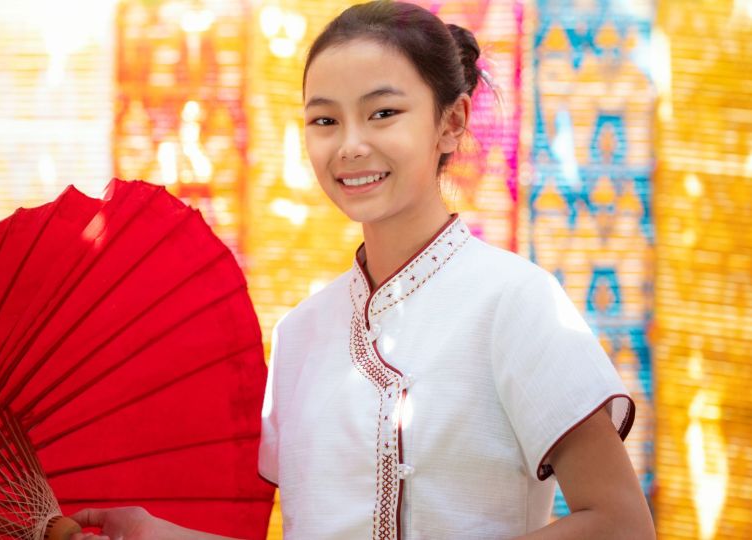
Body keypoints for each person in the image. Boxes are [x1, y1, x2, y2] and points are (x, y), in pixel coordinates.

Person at [70, 1, 655, 538]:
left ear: (451, 122)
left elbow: (621, 524)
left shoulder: (517, 302)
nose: (350, 145)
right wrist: (153, 533)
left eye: (383, 113)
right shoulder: (299, 335)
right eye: (324, 121)